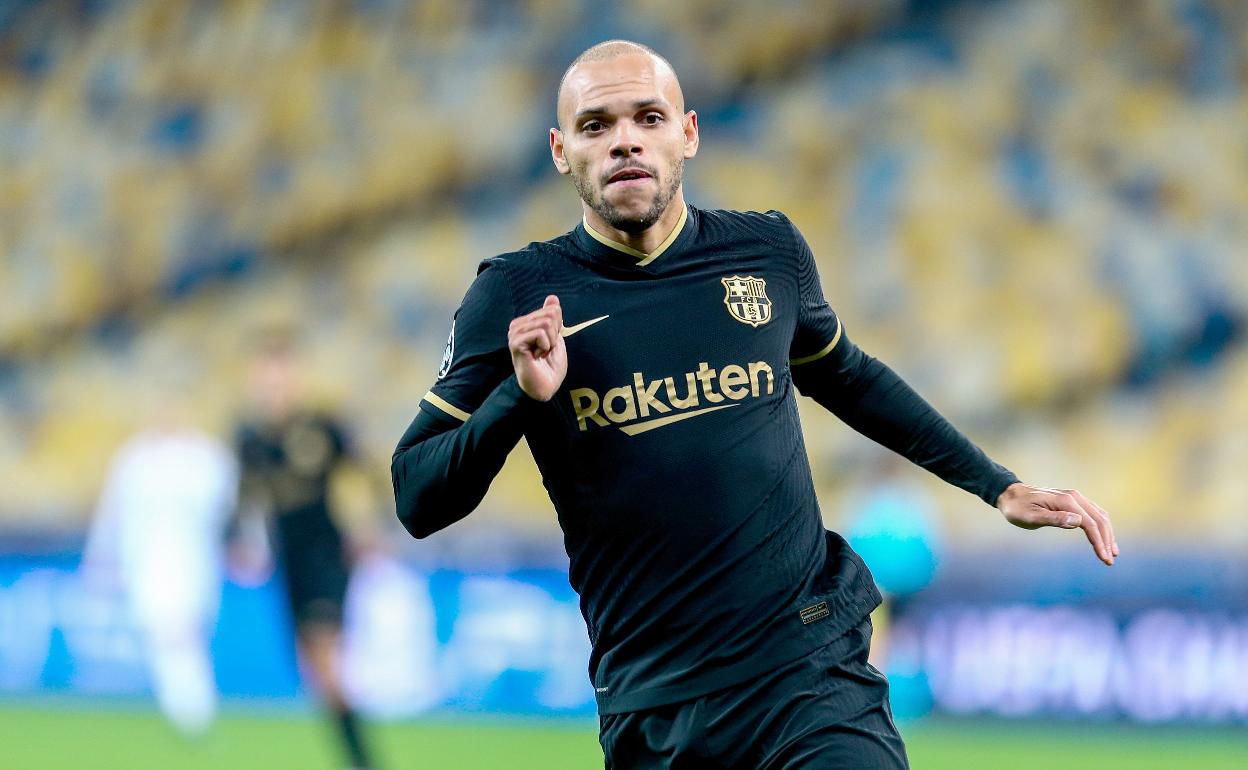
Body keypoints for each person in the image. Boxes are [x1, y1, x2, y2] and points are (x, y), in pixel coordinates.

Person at [391, 40, 1118, 769]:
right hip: (656, 703)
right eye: (596, 126)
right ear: (560, 150)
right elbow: (417, 496)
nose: (625, 142)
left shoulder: (766, 253)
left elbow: (850, 378)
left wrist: (997, 484)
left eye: (649, 117)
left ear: (689, 133)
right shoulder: (517, 293)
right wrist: (518, 396)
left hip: (808, 674)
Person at [234, 335, 377, 770]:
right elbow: (245, 498)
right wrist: (239, 541)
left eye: (280, 377)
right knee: (315, 671)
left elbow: (362, 473)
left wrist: (366, 527)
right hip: (287, 561)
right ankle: (355, 753)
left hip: (326, 554)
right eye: (266, 379)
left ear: (294, 380)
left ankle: (364, 762)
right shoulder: (249, 438)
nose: (273, 387)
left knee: (326, 658)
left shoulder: (321, 427)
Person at [84, 379, 237, 738]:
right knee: (164, 633)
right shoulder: (134, 457)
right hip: (147, 564)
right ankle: (191, 711)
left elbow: (235, 509)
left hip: (195, 562)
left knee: (184, 633)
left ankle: (191, 709)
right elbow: (112, 513)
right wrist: (101, 559)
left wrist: (247, 547)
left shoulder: (207, 457)